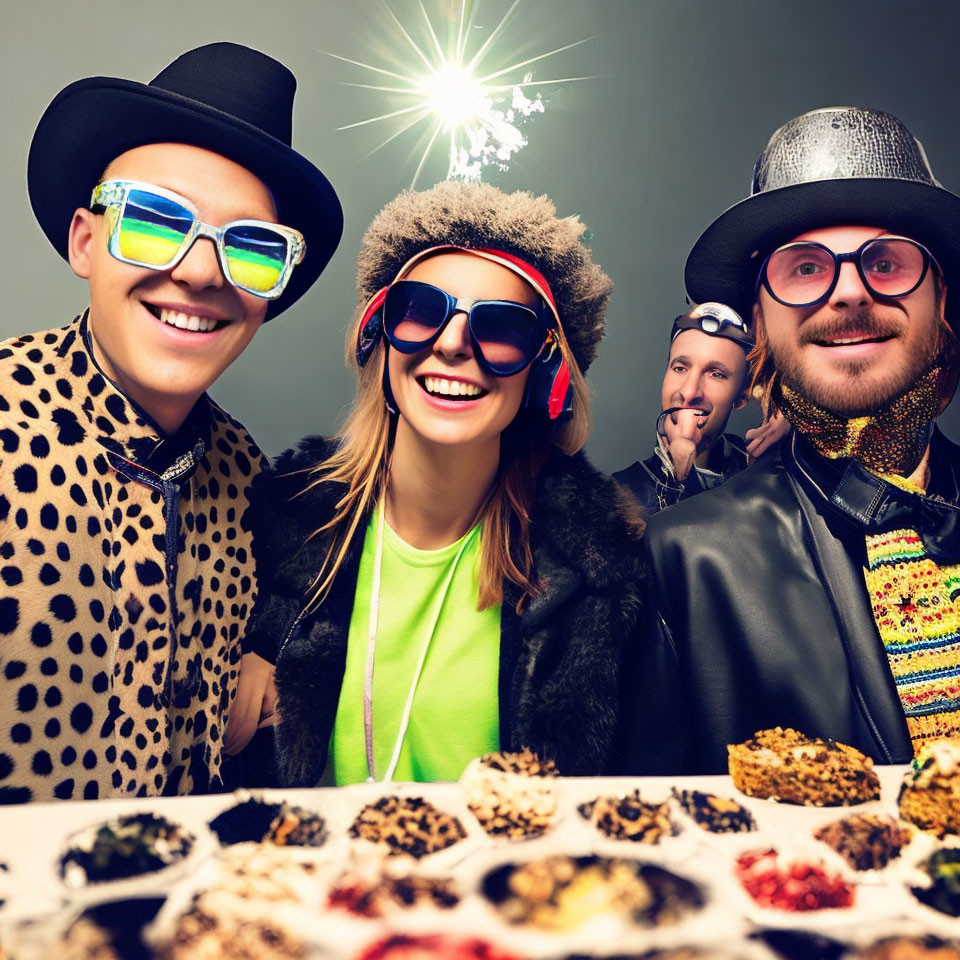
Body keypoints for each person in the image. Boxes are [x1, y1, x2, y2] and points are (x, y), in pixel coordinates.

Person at [0, 43, 342, 803]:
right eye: (156, 220)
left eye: (252, 247)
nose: (198, 270)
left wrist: (268, 650)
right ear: (86, 241)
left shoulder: (250, 478)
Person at [229, 181, 648, 785]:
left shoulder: (601, 578)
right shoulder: (276, 527)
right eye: (422, 311)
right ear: (381, 335)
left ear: (544, 370)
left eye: (500, 328)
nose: (452, 344)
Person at [636, 106, 960, 773]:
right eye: (805, 268)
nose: (848, 292)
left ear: (944, 300)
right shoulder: (684, 560)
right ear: (758, 319)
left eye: (887, 262)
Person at [614, 302, 758, 515]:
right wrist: (675, 479)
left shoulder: (764, 473)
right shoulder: (617, 498)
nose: (690, 392)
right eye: (680, 368)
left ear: (742, 396)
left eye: (716, 374)